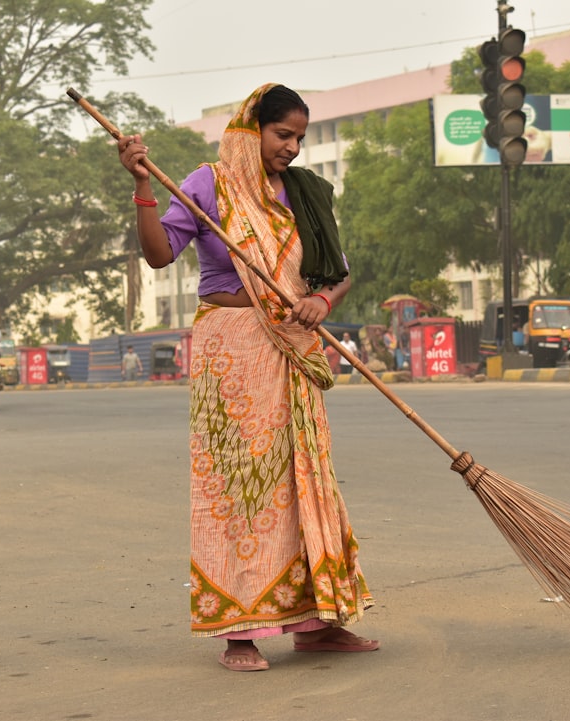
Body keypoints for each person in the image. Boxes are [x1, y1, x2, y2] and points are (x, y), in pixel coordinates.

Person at [117, 83, 377, 673]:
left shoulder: (305, 192)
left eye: (300, 138)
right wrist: (140, 186)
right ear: (250, 127)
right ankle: (240, 631)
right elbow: (161, 255)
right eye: (283, 134)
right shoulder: (209, 183)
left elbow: (338, 273)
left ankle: (316, 624)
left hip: (292, 346)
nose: (292, 147)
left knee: (303, 479)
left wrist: (323, 302)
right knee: (239, 487)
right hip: (231, 350)